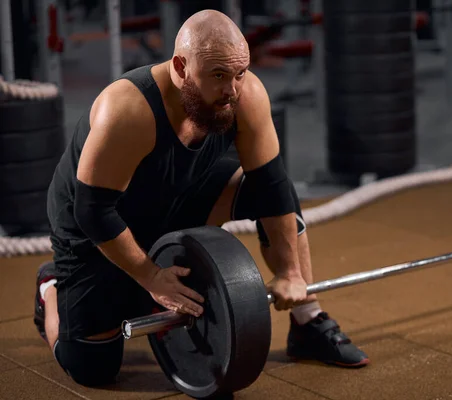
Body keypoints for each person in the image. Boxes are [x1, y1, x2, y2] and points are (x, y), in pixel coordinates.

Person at [34, 9, 369, 387]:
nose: (232, 89)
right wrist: (150, 275)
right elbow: (93, 210)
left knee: (278, 193)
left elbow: (272, 188)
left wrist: (290, 273)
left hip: (180, 192)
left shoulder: (245, 95)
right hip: (95, 221)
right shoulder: (128, 109)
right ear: (180, 68)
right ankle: (51, 287)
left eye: (240, 73)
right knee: (92, 368)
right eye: (218, 76)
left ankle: (308, 319)